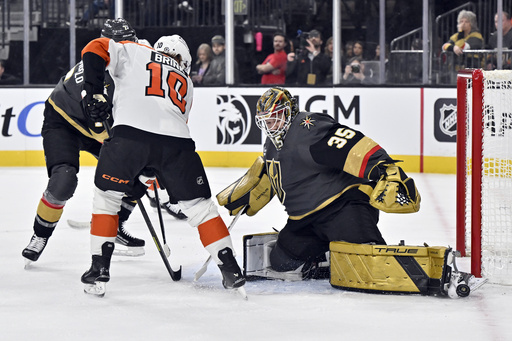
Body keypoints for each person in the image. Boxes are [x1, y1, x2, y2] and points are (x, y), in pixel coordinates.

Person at [78, 34, 246, 295]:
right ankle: (231, 268)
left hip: (129, 139)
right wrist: (153, 170)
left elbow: (94, 47)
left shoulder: (135, 50)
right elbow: (173, 126)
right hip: (177, 146)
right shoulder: (187, 83)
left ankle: (99, 267)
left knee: (106, 199)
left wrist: (93, 92)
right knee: (200, 208)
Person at [217, 87, 420, 280]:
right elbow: (280, 173)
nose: (271, 126)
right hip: (304, 221)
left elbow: (350, 144)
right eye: (266, 121)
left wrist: (384, 167)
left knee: (368, 261)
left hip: (342, 207)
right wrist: (254, 191)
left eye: (275, 118)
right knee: (281, 262)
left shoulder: (309, 128)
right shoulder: (271, 144)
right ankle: (327, 255)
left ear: (289, 112)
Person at [21, 19, 146, 266]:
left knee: (139, 174)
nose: (125, 48)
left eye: (129, 42)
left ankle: (116, 224)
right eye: (119, 44)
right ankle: (40, 234)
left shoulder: (136, 61)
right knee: (63, 179)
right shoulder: (98, 67)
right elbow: (102, 118)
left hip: (95, 128)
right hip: (63, 121)